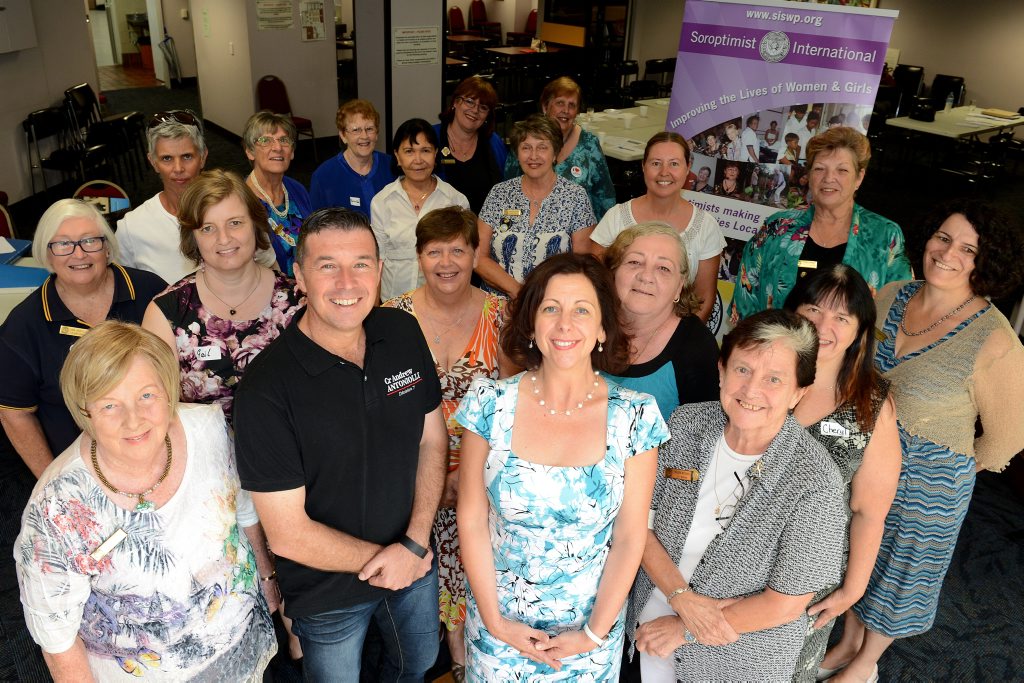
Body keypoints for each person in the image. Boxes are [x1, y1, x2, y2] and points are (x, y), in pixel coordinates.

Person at [233, 207, 448, 681]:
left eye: (362, 264)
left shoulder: (401, 331)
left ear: (380, 270)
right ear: (299, 275)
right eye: (328, 265)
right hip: (326, 589)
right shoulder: (267, 388)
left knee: (418, 664)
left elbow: (433, 439)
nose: (348, 282)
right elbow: (288, 532)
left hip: (412, 558)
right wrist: (389, 561)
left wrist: (413, 543)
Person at [821, 202, 1024, 683]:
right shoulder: (892, 294)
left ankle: (866, 662)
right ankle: (849, 640)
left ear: (985, 262)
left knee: (898, 573)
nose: (948, 253)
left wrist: (955, 469)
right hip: (862, 455)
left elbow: (1010, 435)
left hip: (928, 481)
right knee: (856, 552)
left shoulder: (995, 340)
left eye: (968, 248)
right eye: (942, 237)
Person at [14, 321, 278, 680]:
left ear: (168, 391)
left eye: (147, 395)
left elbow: (243, 508)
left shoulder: (209, 429)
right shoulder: (57, 506)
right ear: (84, 409)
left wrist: (267, 576)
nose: (133, 420)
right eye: (110, 405)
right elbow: (57, 639)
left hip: (236, 639)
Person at [456, 253, 667, 678]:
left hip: (589, 634)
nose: (564, 324)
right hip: (499, 630)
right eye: (551, 308)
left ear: (603, 328)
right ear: (532, 323)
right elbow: (472, 520)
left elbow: (629, 537)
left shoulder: (636, 416)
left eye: (582, 310)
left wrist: (593, 634)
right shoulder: (489, 404)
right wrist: (496, 624)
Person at [628, 309, 846, 682]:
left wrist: (684, 628)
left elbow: (787, 603)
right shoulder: (686, 423)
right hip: (646, 628)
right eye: (742, 369)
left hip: (734, 658)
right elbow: (638, 524)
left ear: (798, 393)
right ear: (721, 370)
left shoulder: (816, 482)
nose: (751, 390)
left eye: (774, 379)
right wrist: (681, 598)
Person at [382, 205, 511, 682]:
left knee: (478, 561)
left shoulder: (502, 316)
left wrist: (469, 471)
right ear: (419, 258)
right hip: (411, 468)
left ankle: (467, 654)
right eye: (434, 251)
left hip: (484, 470)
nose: (447, 262)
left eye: (458, 249)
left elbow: (513, 402)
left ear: (476, 254)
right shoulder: (390, 317)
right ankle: (436, 651)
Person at [782, 265, 901, 682]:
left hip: (810, 569)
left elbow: (870, 511)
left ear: (860, 333)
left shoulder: (870, 406)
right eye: (813, 309)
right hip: (731, 549)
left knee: (786, 667)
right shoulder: (760, 375)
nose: (822, 325)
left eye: (841, 318)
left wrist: (852, 589)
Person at [0, 199, 166, 480]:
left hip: (159, 453)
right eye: (63, 244)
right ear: (46, 253)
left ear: (108, 248)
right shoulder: (24, 325)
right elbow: (15, 414)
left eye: (90, 241)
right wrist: (53, 480)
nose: (78, 254)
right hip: (78, 470)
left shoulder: (151, 291)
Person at [142, 169, 303, 425]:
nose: (224, 238)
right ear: (192, 237)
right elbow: (156, 412)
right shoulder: (166, 313)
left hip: (293, 454)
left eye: (235, 223)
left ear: (256, 224)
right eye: (208, 228)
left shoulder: (298, 300)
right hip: (207, 460)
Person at [732, 126, 912, 320]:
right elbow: (745, 300)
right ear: (809, 175)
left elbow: (897, 312)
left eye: (842, 170)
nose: (828, 178)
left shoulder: (884, 235)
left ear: (859, 177)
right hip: (774, 347)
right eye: (819, 169)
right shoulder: (776, 227)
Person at [590, 132, 726, 323]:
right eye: (656, 163)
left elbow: (704, 298)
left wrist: (676, 344)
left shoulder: (706, 226)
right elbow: (593, 284)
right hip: (616, 332)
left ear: (688, 169)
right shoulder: (615, 218)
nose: (664, 172)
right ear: (643, 167)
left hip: (676, 341)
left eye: (674, 163)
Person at [602, 223, 720, 422]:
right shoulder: (585, 321)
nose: (646, 276)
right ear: (613, 272)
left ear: (679, 287)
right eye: (634, 262)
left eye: (663, 268)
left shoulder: (696, 348)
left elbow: (702, 437)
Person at [477, 114, 596, 297]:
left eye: (542, 148)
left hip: (552, 302)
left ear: (555, 153)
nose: (533, 156)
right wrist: (519, 293)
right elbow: (479, 257)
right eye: (526, 148)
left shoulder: (575, 197)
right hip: (499, 303)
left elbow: (582, 264)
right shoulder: (499, 193)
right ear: (517, 154)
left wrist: (539, 300)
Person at [371, 119, 469, 301]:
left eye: (425, 151)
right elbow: (378, 259)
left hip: (441, 300)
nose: (418, 160)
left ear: (435, 154)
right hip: (394, 300)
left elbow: (463, 258)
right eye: (409, 151)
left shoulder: (455, 200)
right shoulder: (382, 202)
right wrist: (376, 313)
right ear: (397, 157)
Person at [504, 77, 616, 221]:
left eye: (572, 105)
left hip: (580, 231)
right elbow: (509, 191)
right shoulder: (525, 140)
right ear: (545, 107)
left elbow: (605, 197)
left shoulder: (589, 145)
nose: (566, 110)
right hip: (528, 225)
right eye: (560, 103)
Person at [116, 110, 209, 283]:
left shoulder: (233, 212)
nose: (178, 168)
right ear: (153, 162)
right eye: (167, 158)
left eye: (187, 156)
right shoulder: (131, 228)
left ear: (203, 157)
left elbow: (267, 269)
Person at [242, 110, 313, 276]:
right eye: (266, 141)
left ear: (292, 151)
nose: (278, 147)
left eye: (284, 140)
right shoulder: (241, 201)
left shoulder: (297, 189)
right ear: (250, 151)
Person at [434, 76, 508, 214]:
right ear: (455, 102)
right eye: (469, 102)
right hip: (442, 228)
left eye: (483, 107)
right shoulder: (431, 137)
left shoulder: (494, 142)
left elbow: (506, 187)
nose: (475, 110)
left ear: (487, 116)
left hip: (488, 228)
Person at [309, 99, 395, 216]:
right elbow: (316, 226)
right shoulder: (324, 176)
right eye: (356, 130)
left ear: (377, 134)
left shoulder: (392, 167)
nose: (364, 136)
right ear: (343, 136)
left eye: (369, 129)